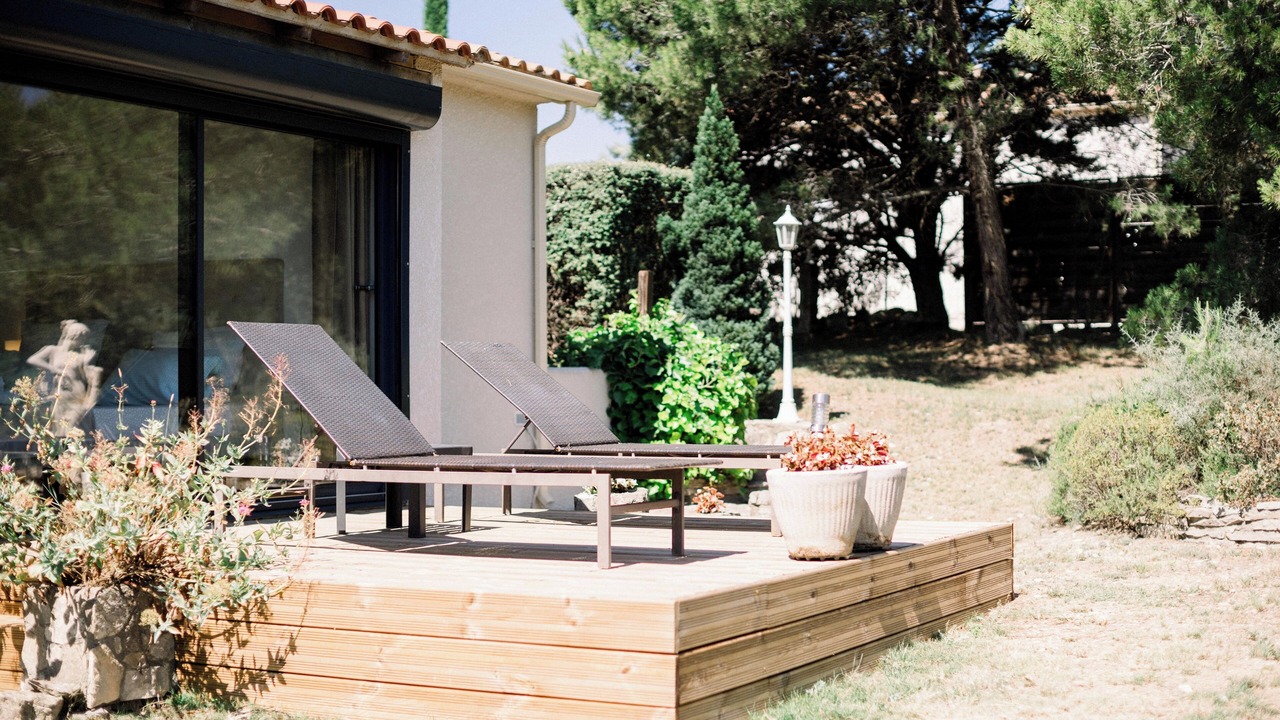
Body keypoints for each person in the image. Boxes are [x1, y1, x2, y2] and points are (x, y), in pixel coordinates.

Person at [27, 319, 103, 432]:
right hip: (60, 397)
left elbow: (87, 378)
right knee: (59, 430)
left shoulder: (79, 356)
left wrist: (87, 362)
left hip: (77, 396)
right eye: (83, 337)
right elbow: (33, 359)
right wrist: (54, 369)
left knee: (75, 429)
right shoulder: (53, 350)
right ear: (75, 335)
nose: (83, 341)